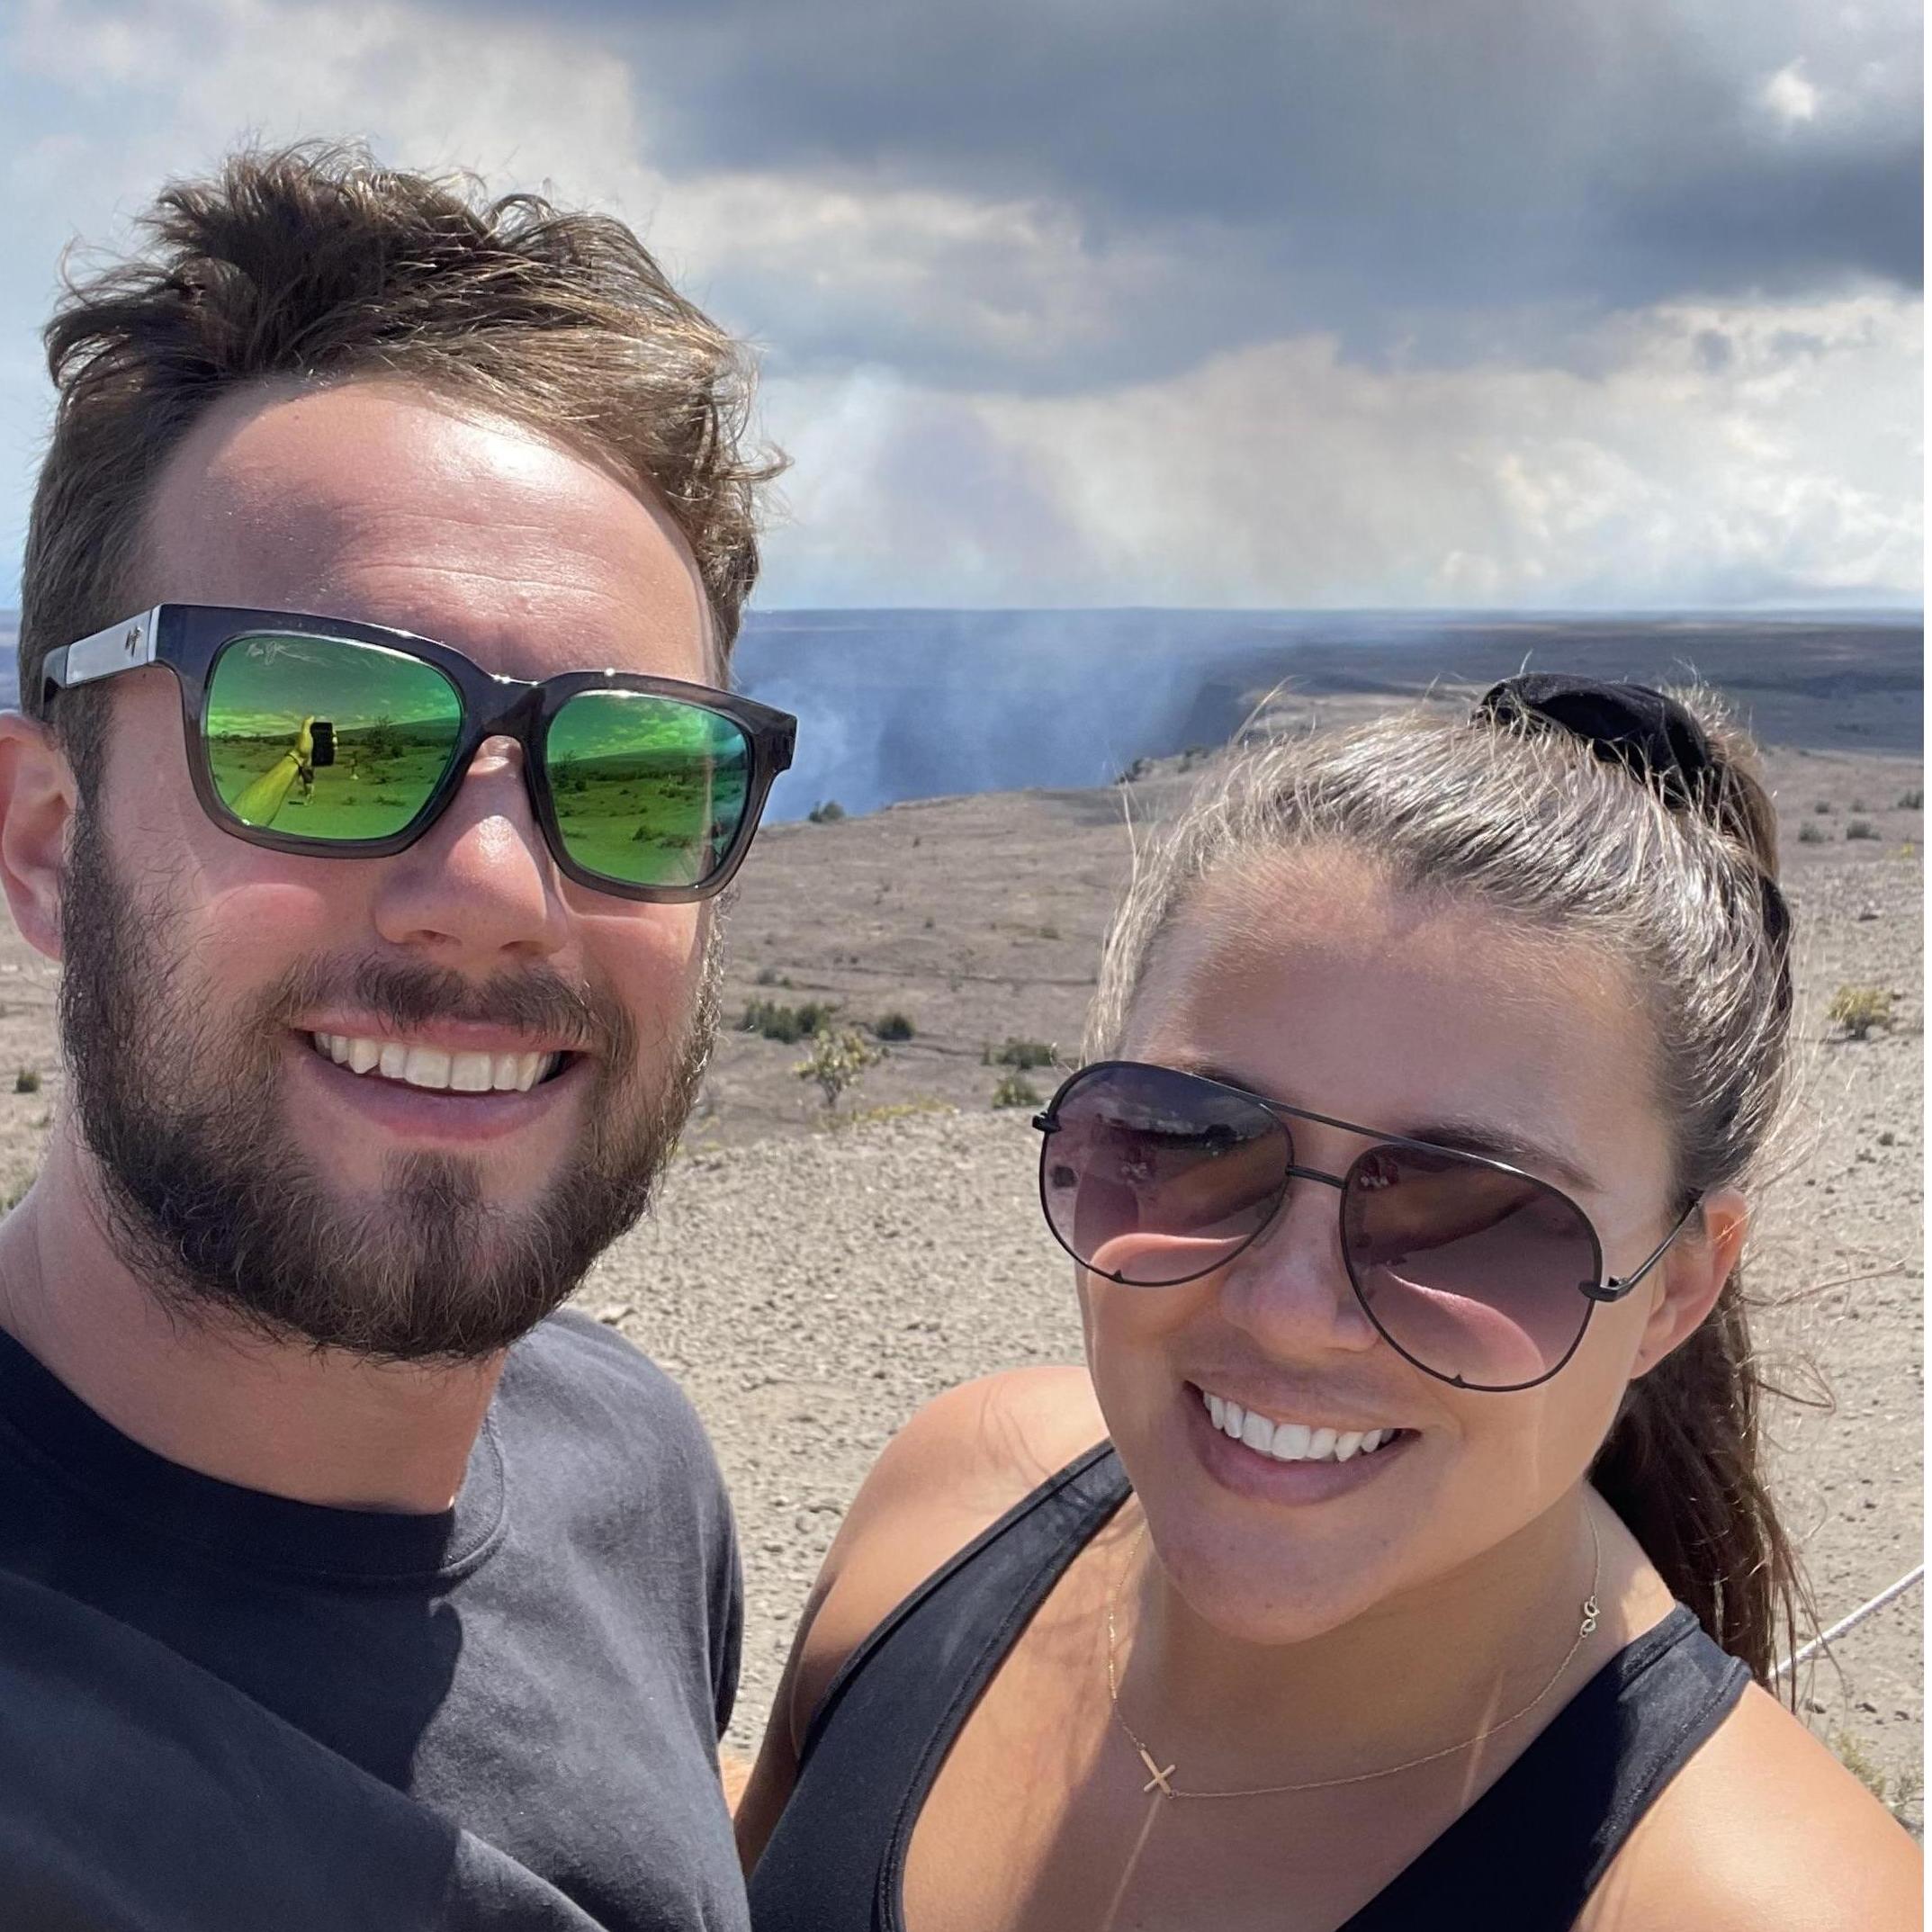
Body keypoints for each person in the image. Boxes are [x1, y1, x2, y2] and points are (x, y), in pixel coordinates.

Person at [736, 678, 1921, 1930]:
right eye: (1191, 1140)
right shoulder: (946, 1505)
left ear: (1678, 1285)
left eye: (1483, 1220)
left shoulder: (1765, 1905)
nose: (1290, 1310)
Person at [0, 143, 791, 1929]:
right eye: (319, 733)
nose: (501, 884)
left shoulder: (626, 1469)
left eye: (629, 772)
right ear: (50, 840)